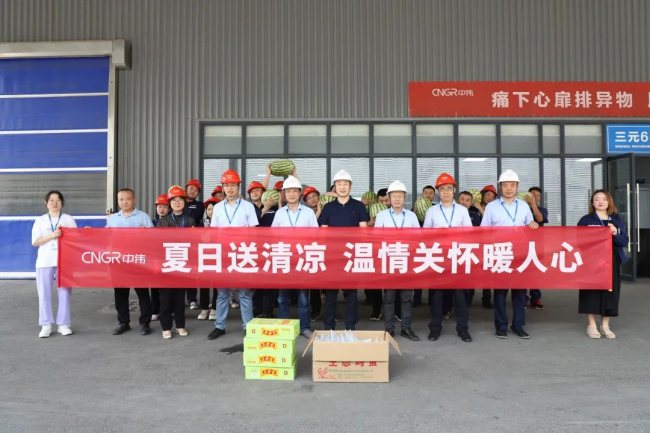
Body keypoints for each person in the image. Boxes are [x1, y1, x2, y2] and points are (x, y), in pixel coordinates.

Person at [481, 170, 539, 339]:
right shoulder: (491, 207)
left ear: (517, 187)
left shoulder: (524, 206)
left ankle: (518, 325)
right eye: (505, 185)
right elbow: (484, 231)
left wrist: (533, 225)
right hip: (500, 253)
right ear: (500, 187)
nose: (508, 188)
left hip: (520, 253)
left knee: (520, 293)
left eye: (512, 185)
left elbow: (530, 226)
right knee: (500, 292)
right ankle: (501, 326)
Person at [208, 169, 259, 340]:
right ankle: (219, 326)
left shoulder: (248, 206)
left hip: (243, 253)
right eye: (227, 185)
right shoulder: (217, 207)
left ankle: (248, 326)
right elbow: (214, 232)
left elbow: (253, 232)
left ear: (238, 187)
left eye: (233, 185)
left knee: (244, 293)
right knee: (222, 294)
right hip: (223, 254)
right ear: (223, 187)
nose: (230, 189)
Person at [423, 173, 473, 343]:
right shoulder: (431, 211)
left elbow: (470, 234)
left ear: (454, 191)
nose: (446, 192)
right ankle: (435, 328)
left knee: (460, 296)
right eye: (442, 189)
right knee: (437, 296)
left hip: (458, 257)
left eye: (449, 189)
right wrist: (437, 233)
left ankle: (463, 329)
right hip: (437, 257)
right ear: (438, 192)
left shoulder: (462, 210)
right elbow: (424, 235)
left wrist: (455, 234)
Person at [319, 170, 369, 331]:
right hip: (332, 257)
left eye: (345, 184)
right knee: (331, 296)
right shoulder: (328, 207)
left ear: (350, 186)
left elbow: (363, 232)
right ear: (335, 187)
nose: (342, 187)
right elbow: (323, 233)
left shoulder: (359, 206)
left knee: (351, 295)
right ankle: (329, 328)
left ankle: (350, 327)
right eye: (339, 184)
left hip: (351, 257)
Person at [272, 176, 319, 338]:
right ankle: (284, 327)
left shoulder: (308, 213)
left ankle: (305, 327)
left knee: (303, 297)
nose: (291, 194)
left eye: (294, 191)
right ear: (284, 194)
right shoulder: (279, 214)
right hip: (284, 258)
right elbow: (273, 236)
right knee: (282, 297)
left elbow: (315, 236)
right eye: (288, 191)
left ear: (299, 193)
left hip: (302, 259)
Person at [578, 190, 628, 339]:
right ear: (592, 203)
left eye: (604, 199)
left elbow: (624, 241)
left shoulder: (616, 220)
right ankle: (592, 325)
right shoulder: (586, 220)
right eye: (597, 199)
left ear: (609, 202)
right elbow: (578, 240)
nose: (600, 201)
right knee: (591, 292)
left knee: (610, 291)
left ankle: (605, 325)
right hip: (591, 260)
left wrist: (615, 234)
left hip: (611, 259)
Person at [374, 181, 420, 341]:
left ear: (404, 197)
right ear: (389, 198)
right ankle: (389, 329)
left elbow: (418, 238)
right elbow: (377, 239)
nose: (397, 199)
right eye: (394, 196)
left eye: (400, 196)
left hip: (407, 260)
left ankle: (406, 328)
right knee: (389, 297)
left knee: (407, 298)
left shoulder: (411, 216)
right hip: (389, 261)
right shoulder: (382, 216)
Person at [107, 189, 155, 336]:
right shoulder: (113, 218)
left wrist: (146, 233)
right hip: (119, 260)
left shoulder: (143, 217)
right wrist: (90, 232)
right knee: (120, 293)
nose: (124, 202)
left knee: (142, 292)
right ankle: (123, 322)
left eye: (127, 199)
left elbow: (154, 237)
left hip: (138, 260)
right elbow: (105, 235)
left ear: (134, 200)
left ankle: (145, 323)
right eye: (121, 199)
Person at [31, 191, 77, 338]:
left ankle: (63, 324)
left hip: (64, 261)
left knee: (65, 293)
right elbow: (35, 242)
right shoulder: (40, 221)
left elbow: (77, 239)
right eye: (51, 200)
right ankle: (46, 325)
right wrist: (52, 235)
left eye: (58, 200)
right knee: (44, 294)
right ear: (46, 203)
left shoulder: (68, 219)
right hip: (45, 261)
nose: (55, 203)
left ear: (62, 203)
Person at [155, 186, 196, 339]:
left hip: (183, 263)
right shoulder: (163, 221)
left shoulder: (190, 220)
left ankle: (180, 325)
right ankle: (166, 327)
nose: (177, 203)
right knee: (165, 298)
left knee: (179, 298)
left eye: (180, 200)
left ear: (184, 202)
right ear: (169, 203)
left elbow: (194, 242)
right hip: (167, 263)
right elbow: (157, 243)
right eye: (174, 201)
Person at [458, 190, 486, 306]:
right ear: (457, 200)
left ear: (471, 202)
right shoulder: (452, 213)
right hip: (455, 250)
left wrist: (479, 207)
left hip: (472, 251)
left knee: (470, 278)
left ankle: (467, 303)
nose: (464, 202)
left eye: (467, 200)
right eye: (462, 199)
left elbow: (488, 224)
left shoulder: (476, 214)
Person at [473, 185, 498, 309]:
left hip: (488, 245)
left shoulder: (494, 210)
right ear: (482, 195)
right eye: (488, 195)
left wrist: (480, 208)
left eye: (492, 197)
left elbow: (491, 223)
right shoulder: (472, 208)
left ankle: (486, 299)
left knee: (487, 272)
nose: (490, 198)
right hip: (473, 244)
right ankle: (468, 298)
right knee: (470, 271)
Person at [526, 186, 549, 310]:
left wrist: (533, 204)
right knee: (522, 272)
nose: (535, 197)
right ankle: (522, 298)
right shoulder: (521, 208)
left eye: (537, 195)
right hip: (522, 244)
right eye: (532, 195)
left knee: (535, 272)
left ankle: (535, 299)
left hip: (537, 246)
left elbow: (539, 219)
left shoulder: (542, 210)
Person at [302, 186, 323, 321]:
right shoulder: (305, 214)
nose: (312, 199)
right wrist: (318, 212)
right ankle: (314, 310)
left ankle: (327, 311)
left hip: (326, 250)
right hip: (310, 251)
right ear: (306, 202)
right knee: (311, 283)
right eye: (309, 198)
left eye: (314, 196)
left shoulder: (327, 210)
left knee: (327, 283)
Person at [198, 196, 220, 321]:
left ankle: (215, 308)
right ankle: (204, 308)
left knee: (217, 285)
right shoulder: (202, 225)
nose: (211, 212)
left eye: (214, 209)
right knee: (204, 284)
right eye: (209, 209)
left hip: (218, 257)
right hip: (204, 257)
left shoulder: (223, 224)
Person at [184, 179, 204, 310]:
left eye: (196, 190)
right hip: (177, 242)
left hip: (193, 242)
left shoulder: (200, 206)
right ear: (186, 189)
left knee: (191, 271)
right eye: (191, 188)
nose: (193, 191)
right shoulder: (178, 202)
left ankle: (192, 299)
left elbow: (197, 219)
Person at [151, 193, 171, 321]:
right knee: (154, 285)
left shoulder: (172, 222)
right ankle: (155, 310)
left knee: (168, 287)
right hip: (155, 258)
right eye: (159, 207)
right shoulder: (152, 222)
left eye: (164, 207)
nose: (161, 209)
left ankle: (168, 310)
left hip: (168, 256)